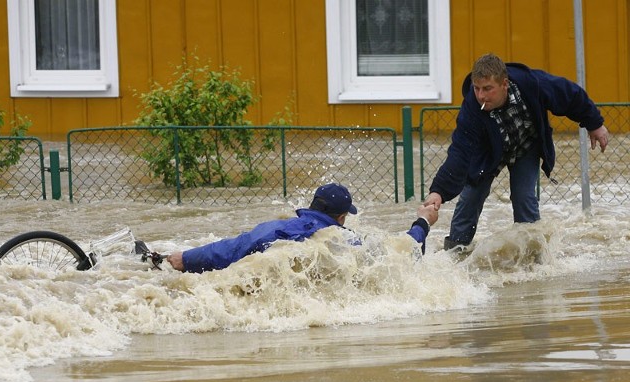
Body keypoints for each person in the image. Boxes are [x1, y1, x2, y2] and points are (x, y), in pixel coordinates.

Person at [423, 53, 609, 250]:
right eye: (477, 88)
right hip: (488, 153)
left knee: (523, 196)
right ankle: (456, 249)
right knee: (472, 195)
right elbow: (459, 152)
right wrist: (438, 192)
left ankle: (533, 254)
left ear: (504, 84)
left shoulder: (532, 84)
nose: (481, 96)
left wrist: (594, 124)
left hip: (525, 146)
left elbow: (570, 95)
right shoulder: (472, 108)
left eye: (487, 89)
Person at [167, 183, 439, 273]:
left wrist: (186, 259)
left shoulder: (281, 227)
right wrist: (423, 221)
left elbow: (236, 247)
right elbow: (405, 254)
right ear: (342, 217)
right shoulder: (345, 240)